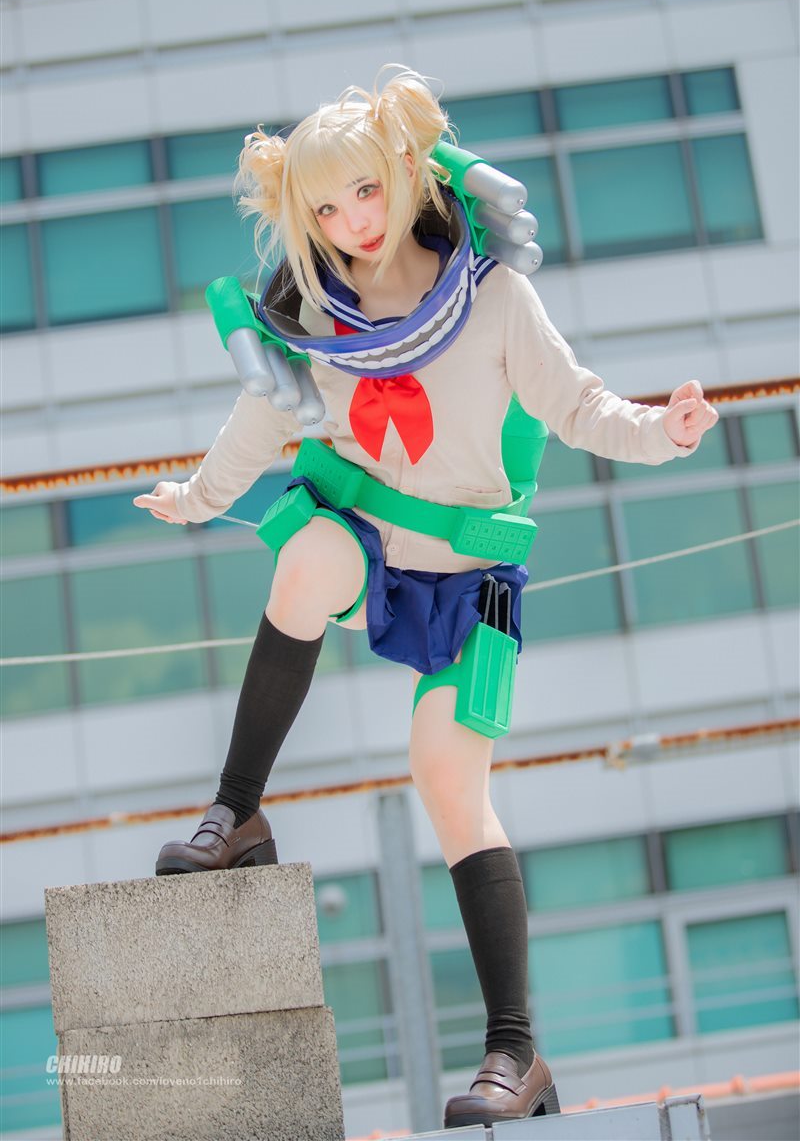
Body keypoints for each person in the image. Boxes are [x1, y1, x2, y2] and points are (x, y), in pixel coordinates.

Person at [133, 66, 718, 1128]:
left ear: (405, 173)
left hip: (469, 577)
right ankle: (237, 809)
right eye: (323, 208)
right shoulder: (316, 318)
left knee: (448, 777)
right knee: (306, 557)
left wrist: (662, 433)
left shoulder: (492, 296)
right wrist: (199, 497)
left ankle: (515, 1054)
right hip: (366, 542)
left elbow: (578, 405)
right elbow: (260, 422)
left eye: (364, 191)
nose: (351, 222)